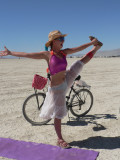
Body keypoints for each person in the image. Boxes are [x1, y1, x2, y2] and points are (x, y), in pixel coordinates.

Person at [0, 30, 103, 148]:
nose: (63, 41)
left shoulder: (64, 52)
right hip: (57, 90)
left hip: (66, 80)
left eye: (63, 39)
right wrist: (10, 52)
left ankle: (97, 48)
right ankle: (60, 139)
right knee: (58, 115)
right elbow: (27, 54)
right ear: (53, 41)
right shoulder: (47, 55)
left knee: (79, 64)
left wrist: (91, 44)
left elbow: (78, 49)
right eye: (61, 39)